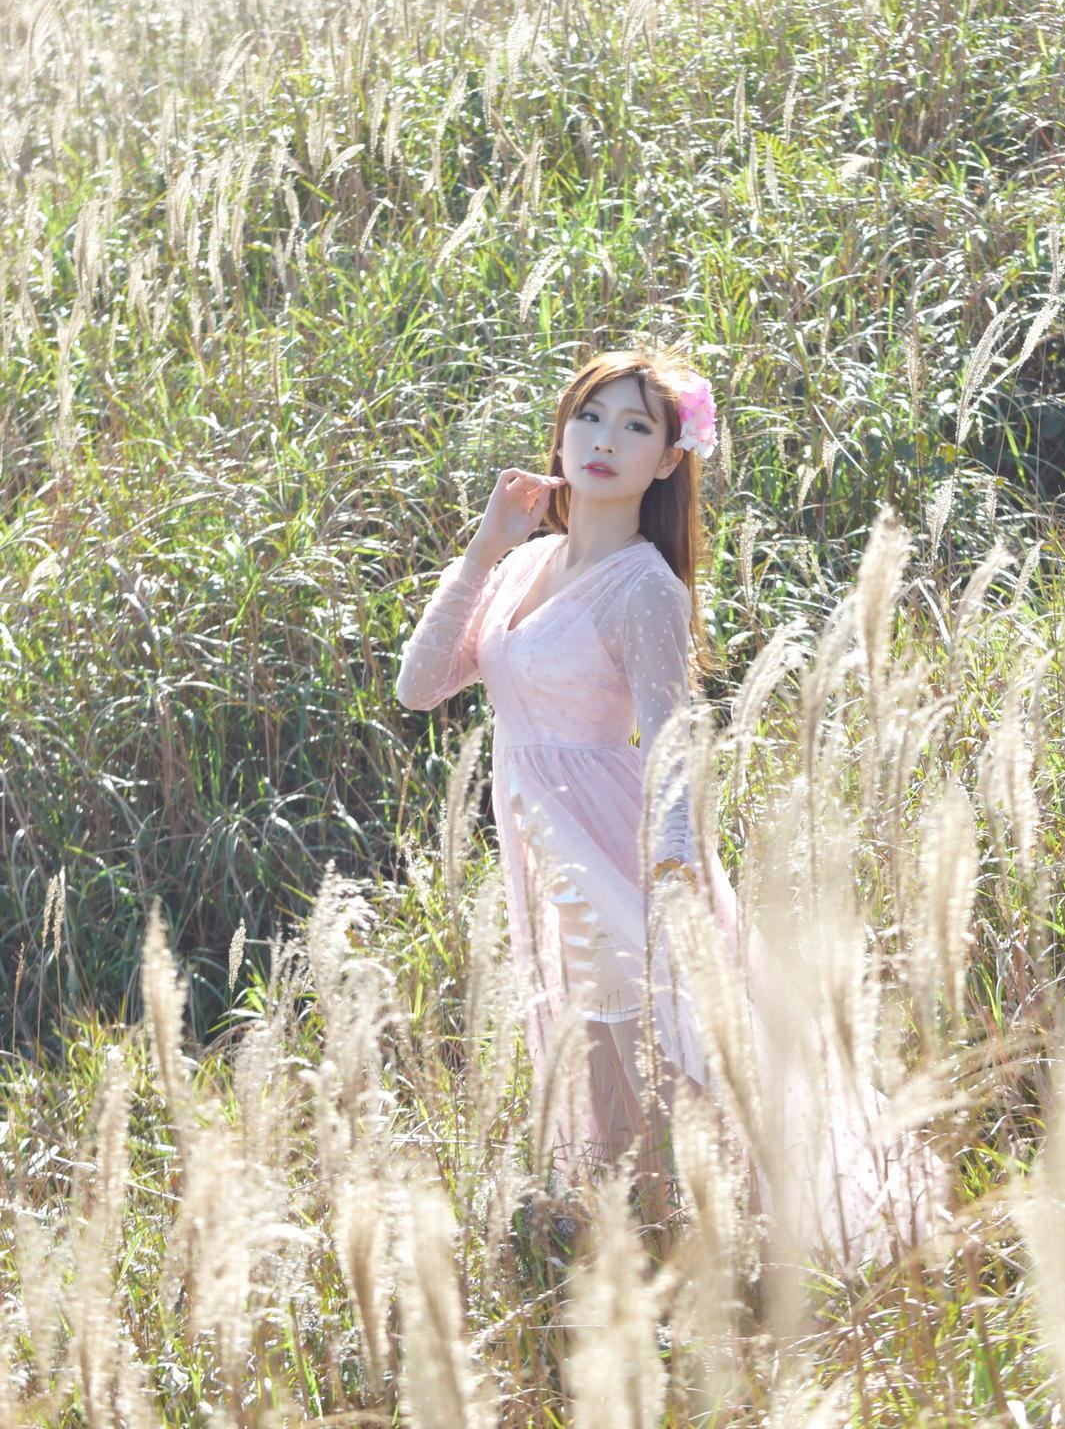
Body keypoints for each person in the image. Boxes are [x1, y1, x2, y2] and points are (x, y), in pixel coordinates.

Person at [396, 345, 945, 1266]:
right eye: (589, 417)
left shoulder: (646, 587)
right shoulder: (523, 563)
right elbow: (419, 689)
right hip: (545, 839)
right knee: (606, 1061)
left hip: (612, 846)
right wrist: (484, 546)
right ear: (562, 432)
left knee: (658, 1056)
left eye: (634, 427)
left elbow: (674, 745)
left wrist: (675, 881)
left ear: (668, 460)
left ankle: (706, 1254)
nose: (604, 441)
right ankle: (652, 1255)